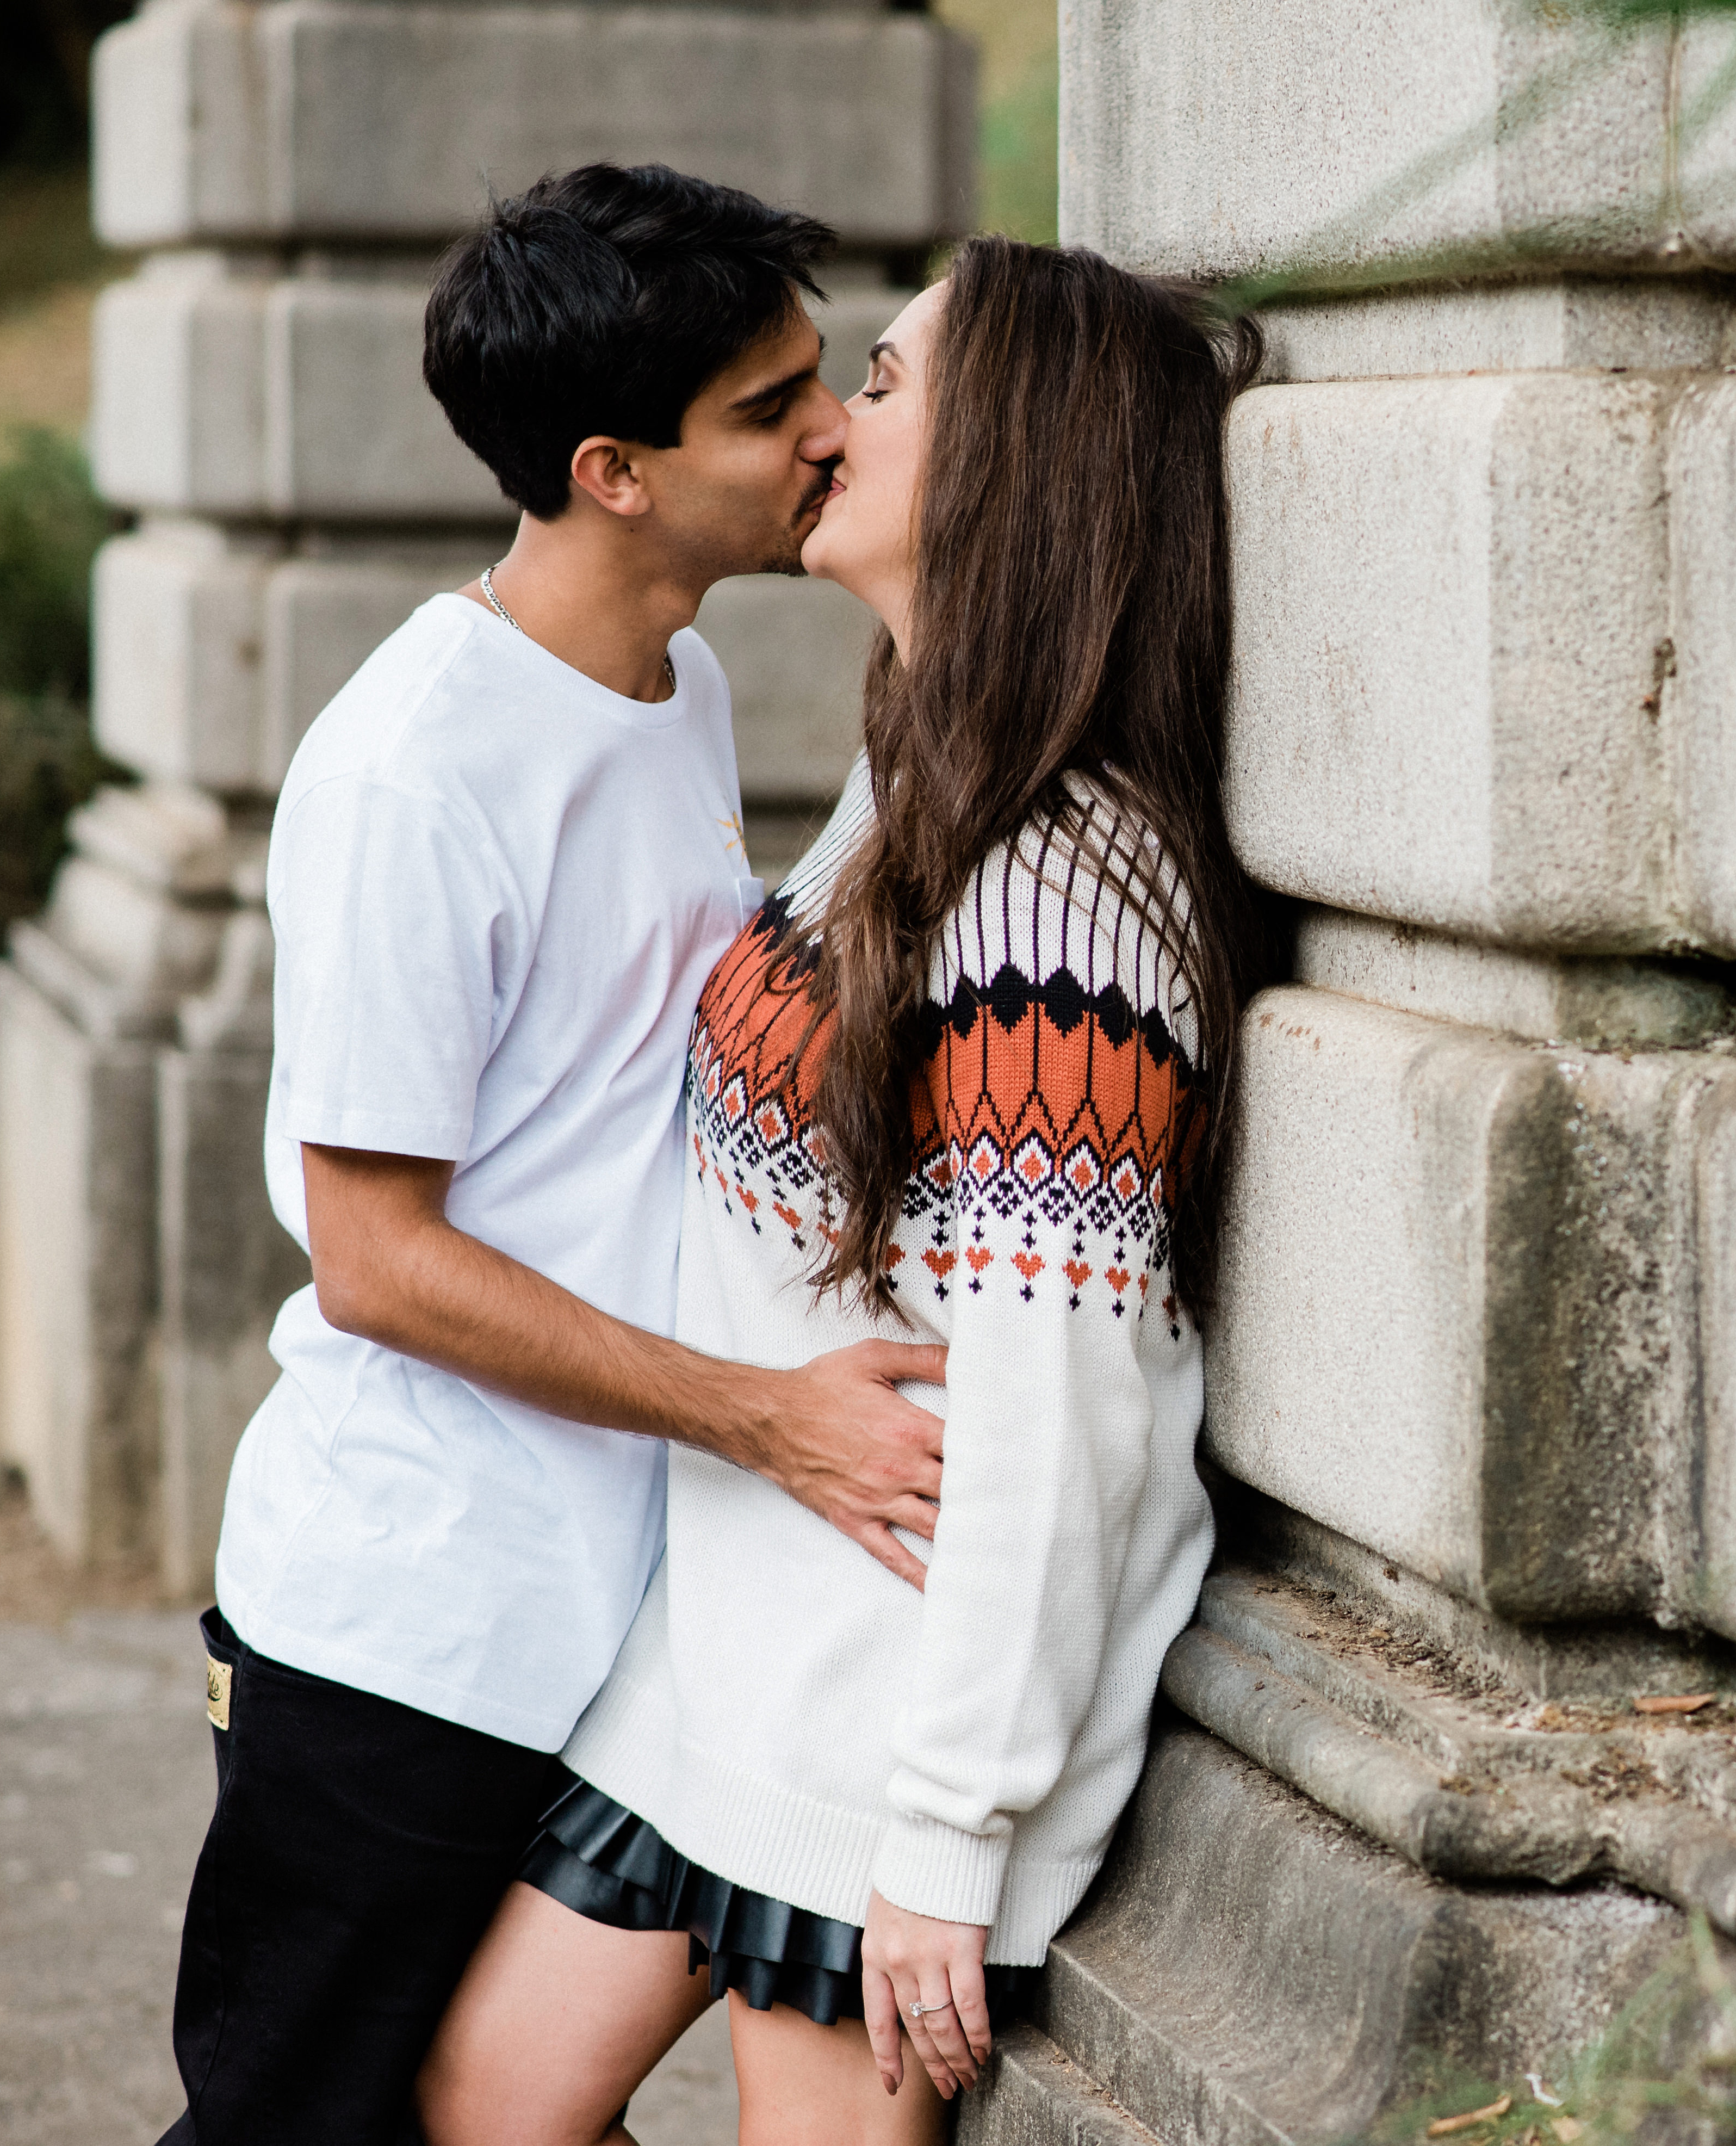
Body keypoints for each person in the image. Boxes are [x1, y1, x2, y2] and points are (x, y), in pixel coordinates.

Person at [417, 237, 1266, 2145]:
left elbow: (1070, 1420)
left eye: (879, 385)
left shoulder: (1066, 911)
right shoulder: (921, 778)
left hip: (873, 1735)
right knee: (478, 2092)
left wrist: (945, 1841)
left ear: (1010, 467)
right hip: (718, 1661)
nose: (826, 429)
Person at [158, 165, 960, 2145]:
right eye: (771, 408)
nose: (830, 429)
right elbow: (375, 1258)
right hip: (401, 1628)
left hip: (607, 1608)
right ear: (613, 468)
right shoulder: (415, 770)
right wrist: (764, 1416)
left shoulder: (671, 682)